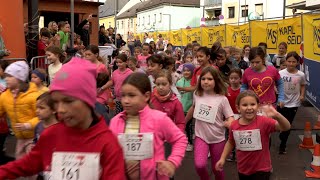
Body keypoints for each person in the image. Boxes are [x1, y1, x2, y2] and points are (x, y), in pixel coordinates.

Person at [0, 57, 125, 179]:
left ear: (88, 100)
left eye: (68, 101)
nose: (60, 109)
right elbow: (25, 165)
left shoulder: (109, 145)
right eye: (56, 102)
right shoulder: (50, 135)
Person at [109, 72, 187, 179]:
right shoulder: (115, 122)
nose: (126, 101)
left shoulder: (159, 119)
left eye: (132, 95)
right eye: (123, 95)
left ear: (146, 96)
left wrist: (172, 162)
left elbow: (180, 139)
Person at [215, 90, 290, 180]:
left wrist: (277, 115)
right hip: (243, 169)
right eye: (245, 105)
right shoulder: (234, 125)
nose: (249, 108)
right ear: (238, 108)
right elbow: (231, 142)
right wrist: (222, 158)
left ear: (258, 106)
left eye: (252, 104)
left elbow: (286, 127)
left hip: (262, 169)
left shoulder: (264, 121)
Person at [185, 66, 234, 180]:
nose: (206, 81)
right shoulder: (197, 94)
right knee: (199, 165)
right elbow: (193, 108)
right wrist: (183, 123)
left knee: (217, 168)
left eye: (210, 79)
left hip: (217, 138)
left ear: (216, 81)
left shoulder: (222, 99)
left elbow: (230, 117)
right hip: (200, 136)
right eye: (203, 79)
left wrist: (230, 123)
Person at [0, 61, 40, 161]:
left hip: (34, 137)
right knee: (20, 162)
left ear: (19, 79)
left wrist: (28, 125)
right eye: (6, 76)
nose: (6, 79)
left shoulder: (34, 96)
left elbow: (42, 117)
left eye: (10, 76)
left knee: (33, 163)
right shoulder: (5, 96)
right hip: (20, 138)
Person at [278, 51, 306, 154]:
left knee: (288, 125)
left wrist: (302, 95)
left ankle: (282, 145)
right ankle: (282, 133)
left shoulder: (301, 74)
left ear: (297, 63)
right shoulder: (280, 73)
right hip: (282, 103)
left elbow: (303, 85)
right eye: (289, 61)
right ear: (286, 61)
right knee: (281, 123)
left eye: (293, 62)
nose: (291, 64)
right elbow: (275, 84)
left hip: (294, 103)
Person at [176, 63, 195, 151]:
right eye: (184, 70)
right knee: (183, 125)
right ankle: (185, 140)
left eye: (188, 71)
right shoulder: (179, 81)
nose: (186, 72)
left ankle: (190, 143)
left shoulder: (194, 82)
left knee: (189, 126)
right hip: (181, 107)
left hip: (191, 108)